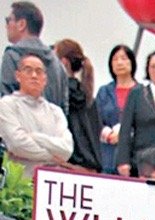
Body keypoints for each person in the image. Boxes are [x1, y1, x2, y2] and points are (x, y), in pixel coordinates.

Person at [0, 51, 71, 177]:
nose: (34, 75)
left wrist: (35, 137)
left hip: (50, 183)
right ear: (18, 76)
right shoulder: (7, 105)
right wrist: (52, 157)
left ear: (45, 79)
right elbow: (17, 144)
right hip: (19, 186)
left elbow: (66, 149)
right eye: (28, 70)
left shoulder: (55, 112)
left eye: (39, 71)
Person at [1, 2, 67, 111]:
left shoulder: (12, 56)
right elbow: (64, 108)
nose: (6, 25)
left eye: (8, 20)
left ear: (21, 24)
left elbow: (6, 102)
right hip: (51, 126)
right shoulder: (57, 62)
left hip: (20, 126)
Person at [54, 39, 100, 172]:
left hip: (67, 165)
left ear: (64, 62)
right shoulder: (88, 96)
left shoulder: (60, 96)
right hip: (90, 167)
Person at [95, 43, 137, 174]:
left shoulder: (142, 92)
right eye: (115, 59)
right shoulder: (104, 91)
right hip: (107, 156)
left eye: (124, 58)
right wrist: (108, 135)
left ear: (132, 62)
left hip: (133, 158)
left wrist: (124, 135)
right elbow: (95, 120)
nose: (119, 63)